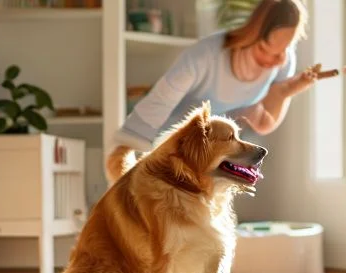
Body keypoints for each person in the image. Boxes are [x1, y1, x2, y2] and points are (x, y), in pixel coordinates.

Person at [106, 0, 318, 184]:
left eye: (282, 51)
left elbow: (264, 121)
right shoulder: (205, 55)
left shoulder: (283, 61)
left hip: (211, 151)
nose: (273, 61)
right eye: (264, 49)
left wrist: (288, 90)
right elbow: (159, 101)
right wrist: (125, 151)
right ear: (251, 34)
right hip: (169, 141)